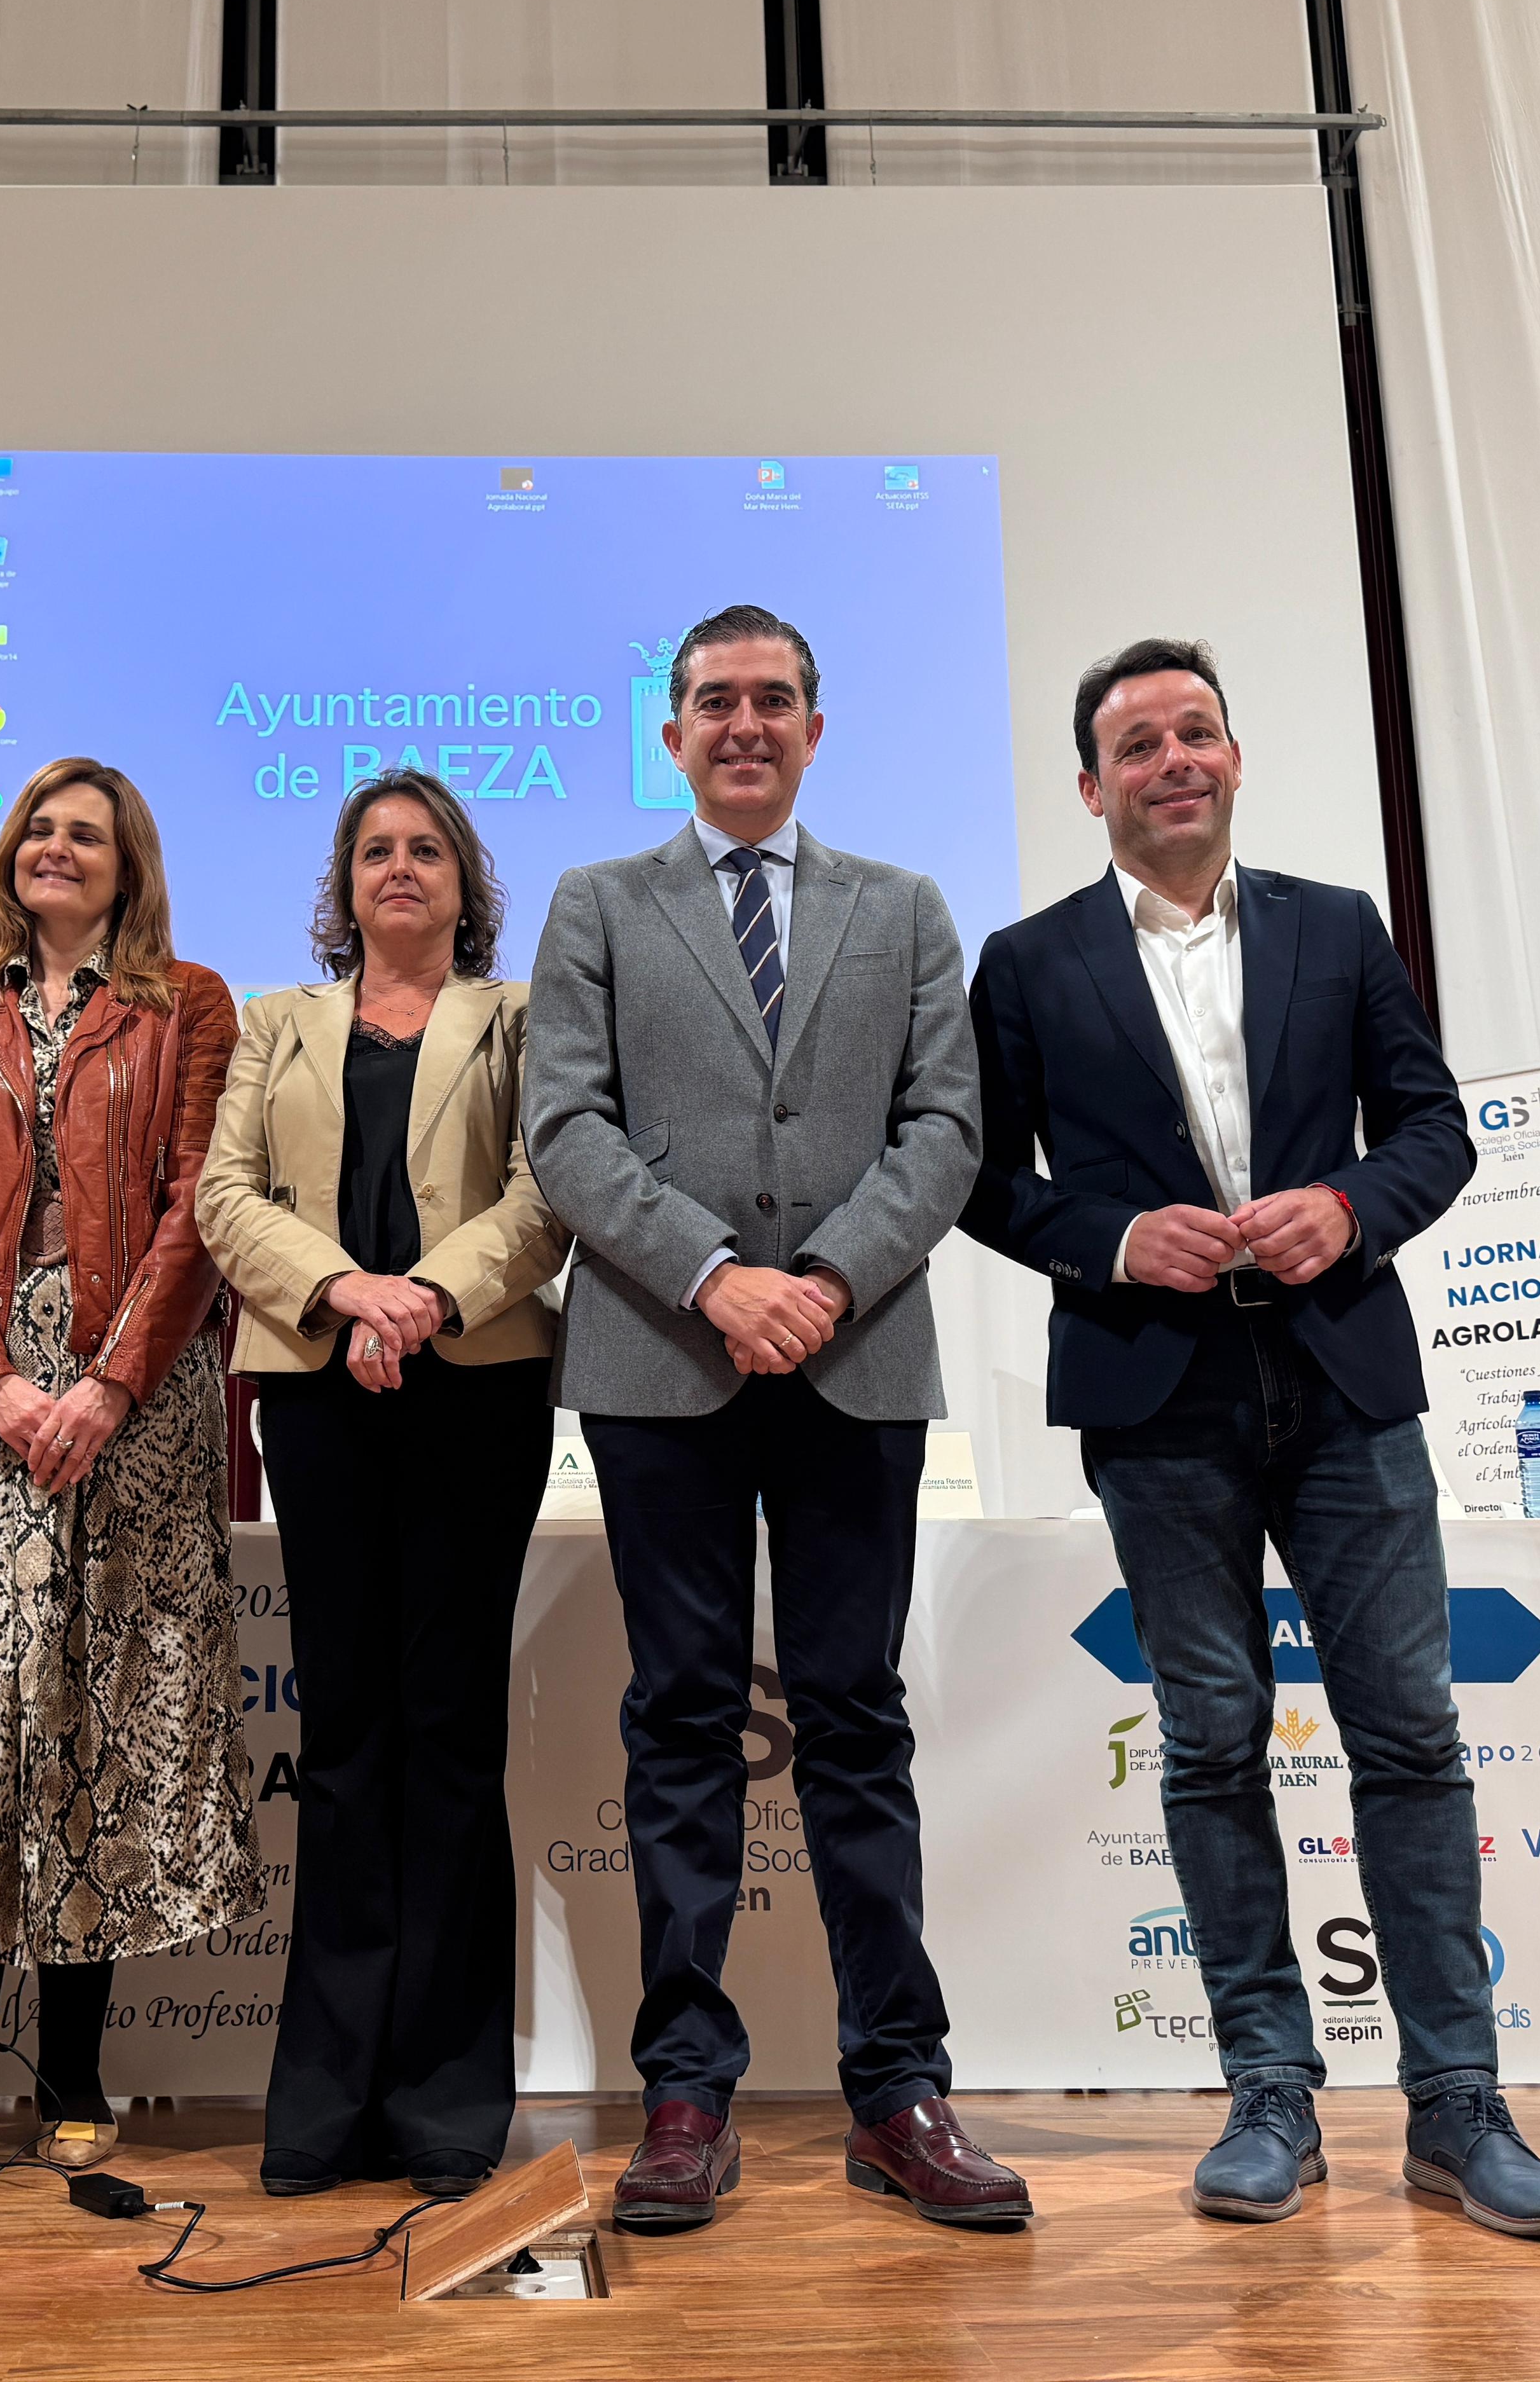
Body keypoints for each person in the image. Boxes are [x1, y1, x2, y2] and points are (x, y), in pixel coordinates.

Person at [960, 637, 1540, 2241]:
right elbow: (976, 1179)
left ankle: (1457, 2101)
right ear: (1089, 786)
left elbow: (1433, 1125)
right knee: (1210, 1738)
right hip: (1154, 1396)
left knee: (1409, 1734)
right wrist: (1107, 1242)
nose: (1172, 758)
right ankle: (1268, 2092)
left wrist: (1350, 1206)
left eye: (1196, 732)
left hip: (1345, 1384)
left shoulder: (1338, 928)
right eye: (1136, 741)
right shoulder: (1028, 962)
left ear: (1232, 759)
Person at [525, 604, 1028, 2234]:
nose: (744, 722)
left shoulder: (905, 907)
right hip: (660, 1361)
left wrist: (816, 1276)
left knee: (854, 1719)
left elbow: (947, 1125)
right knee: (679, 1721)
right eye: (713, 701)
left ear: (817, 727)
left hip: (854, 1352)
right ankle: (685, 2088)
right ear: (667, 732)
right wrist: (717, 1275)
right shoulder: (598, 903)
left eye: (773, 699)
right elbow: (567, 1128)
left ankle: (898, 2086)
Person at [0, 756, 262, 2206]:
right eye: (38, 829)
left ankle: (75, 2067)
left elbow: (201, 1201)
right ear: (9, 855)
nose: (57, 848)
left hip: (136, 1401)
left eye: (86, 833)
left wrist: (108, 1381)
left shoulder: (189, 1004)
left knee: (99, 1718)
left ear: (126, 861)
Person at [197, 771, 570, 2199]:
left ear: (464, 882)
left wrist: (418, 1301)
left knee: (451, 1731)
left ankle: (446, 2097)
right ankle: (328, 2095)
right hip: (315, 1390)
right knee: (345, 1739)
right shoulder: (277, 1024)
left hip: (474, 1383)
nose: (397, 869)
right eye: (374, 851)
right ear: (342, 880)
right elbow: (226, 1199)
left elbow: (546, 1194)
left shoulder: (522, 1017)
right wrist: (344, 1293)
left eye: (424, 851)